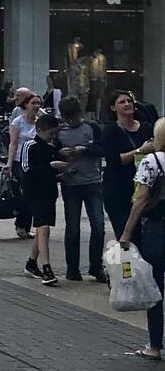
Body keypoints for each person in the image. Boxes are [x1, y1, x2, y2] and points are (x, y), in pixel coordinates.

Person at [117, 118, 165, 363]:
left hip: (157, 229)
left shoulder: (152, 161)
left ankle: (154, 344)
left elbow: (141, 200)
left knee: (155, 287)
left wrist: (126, 232)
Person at [56, 95, 105, 283]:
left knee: (98, 226)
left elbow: (102, 149)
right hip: (71, 184)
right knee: (73, 229)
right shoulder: (60, 132)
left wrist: (84, 149)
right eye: (68, 119)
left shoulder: (92, 127)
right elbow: (53, 153)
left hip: (92, 182)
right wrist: (60, 153)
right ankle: (72, 268)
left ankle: (95, 266)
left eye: (73, 117)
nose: (71, 121)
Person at [103, 90, 154, 241]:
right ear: (113, 108)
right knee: (125, 236)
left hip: (143, 189)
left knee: (142, 237)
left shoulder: (146, 128)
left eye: (129, 101)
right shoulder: (110, 131)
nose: (127, 104)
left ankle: (141, 265)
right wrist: (140, 150)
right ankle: (126, 265)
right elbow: (115, 160)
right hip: (118, 191)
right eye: (122, 102)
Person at [21, 113, 65, 287]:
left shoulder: (51, 148)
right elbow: (27, 170)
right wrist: (50, 167)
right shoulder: (30, 146)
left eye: (54, 134)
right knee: (43, 227)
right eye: (50, 134)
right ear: (39, 130)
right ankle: (46, 268)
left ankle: (32, 263)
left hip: (49, 192)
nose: (52, 138)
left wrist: (59, 174)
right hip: (35, 192)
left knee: (42, 228)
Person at [5, 90, 39, 240]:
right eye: (33, 103)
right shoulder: (18, 121)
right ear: (26, 105)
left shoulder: (40, 122)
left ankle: (25, 226)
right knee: (26, 192)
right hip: (20, 161)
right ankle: (21, 224)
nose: (36, 106)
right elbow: (13, 144)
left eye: (38, 103)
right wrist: (9, 164)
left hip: (35, 162)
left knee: (32, 194)